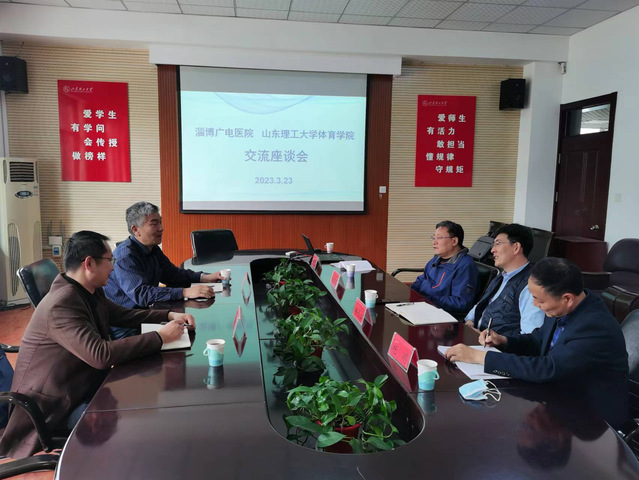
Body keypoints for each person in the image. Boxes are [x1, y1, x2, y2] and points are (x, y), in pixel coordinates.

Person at [0, 231, 194, 459]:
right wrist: (160, 337)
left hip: (81, 384)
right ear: (89, 263)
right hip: (54, 406)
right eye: (109, 260)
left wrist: (169, 314)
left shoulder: (86, 289)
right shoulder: (61, 304)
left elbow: (123, 315)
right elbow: (101, 355)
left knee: (146, 403)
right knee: (129, 427)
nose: (113, 267)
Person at [446, 257, 629, 429]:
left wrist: (481, 358)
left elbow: (548, 368)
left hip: (592, 419)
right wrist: (503, 341)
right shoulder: (562, 307)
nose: (534, 304)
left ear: (567, 298)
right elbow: (537, 341)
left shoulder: (594, 326)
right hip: (556, 396)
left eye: (538, 299)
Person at [104, 201, 221, 337]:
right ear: (135, 230)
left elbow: (172, 274)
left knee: (189, 329)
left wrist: (203, 277)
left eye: (160, 222)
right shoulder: (125, 257)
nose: (161, 228)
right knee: (186, 336)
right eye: (154, 224)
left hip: (146, 314)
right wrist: (185, 292)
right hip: (126, 326)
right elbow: (142, 294)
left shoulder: (152, 248)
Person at [464, 223, 544, 336]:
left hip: (498, 345)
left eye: (498, 243)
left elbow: (530, 336)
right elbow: (481, 305)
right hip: (478, 337)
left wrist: (497, 340)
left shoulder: (531, 285)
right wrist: (469, 323)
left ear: (516, 248)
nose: (492, 250)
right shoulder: (501, 276)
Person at [410, 221, 479, 314]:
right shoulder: (436, 259)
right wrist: (412, 292)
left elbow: (461, 303)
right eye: (434, 237)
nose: (434, 242)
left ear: (454, 241)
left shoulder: (465, 265)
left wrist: (426, 299)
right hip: (423, 305)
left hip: (440, 313)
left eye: (439, 238)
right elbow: (422, 279)